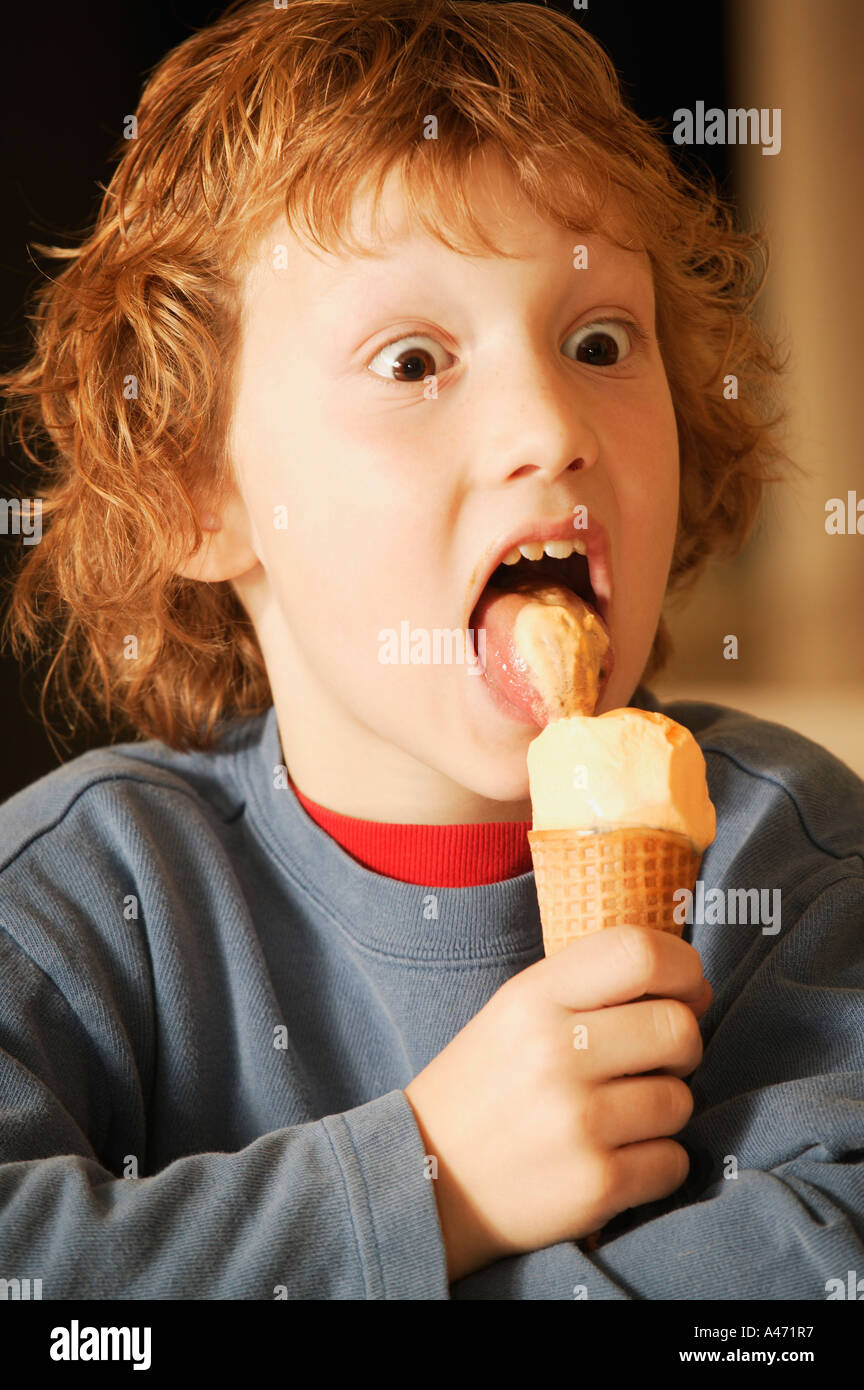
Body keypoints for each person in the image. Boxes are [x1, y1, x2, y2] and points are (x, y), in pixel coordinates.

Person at [0, 0, 861, 1300]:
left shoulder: (790, 859)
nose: (548, 424)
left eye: (599, 342)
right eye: (413, 359)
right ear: (196, 492)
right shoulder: (80, 905)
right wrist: (430, 1177)